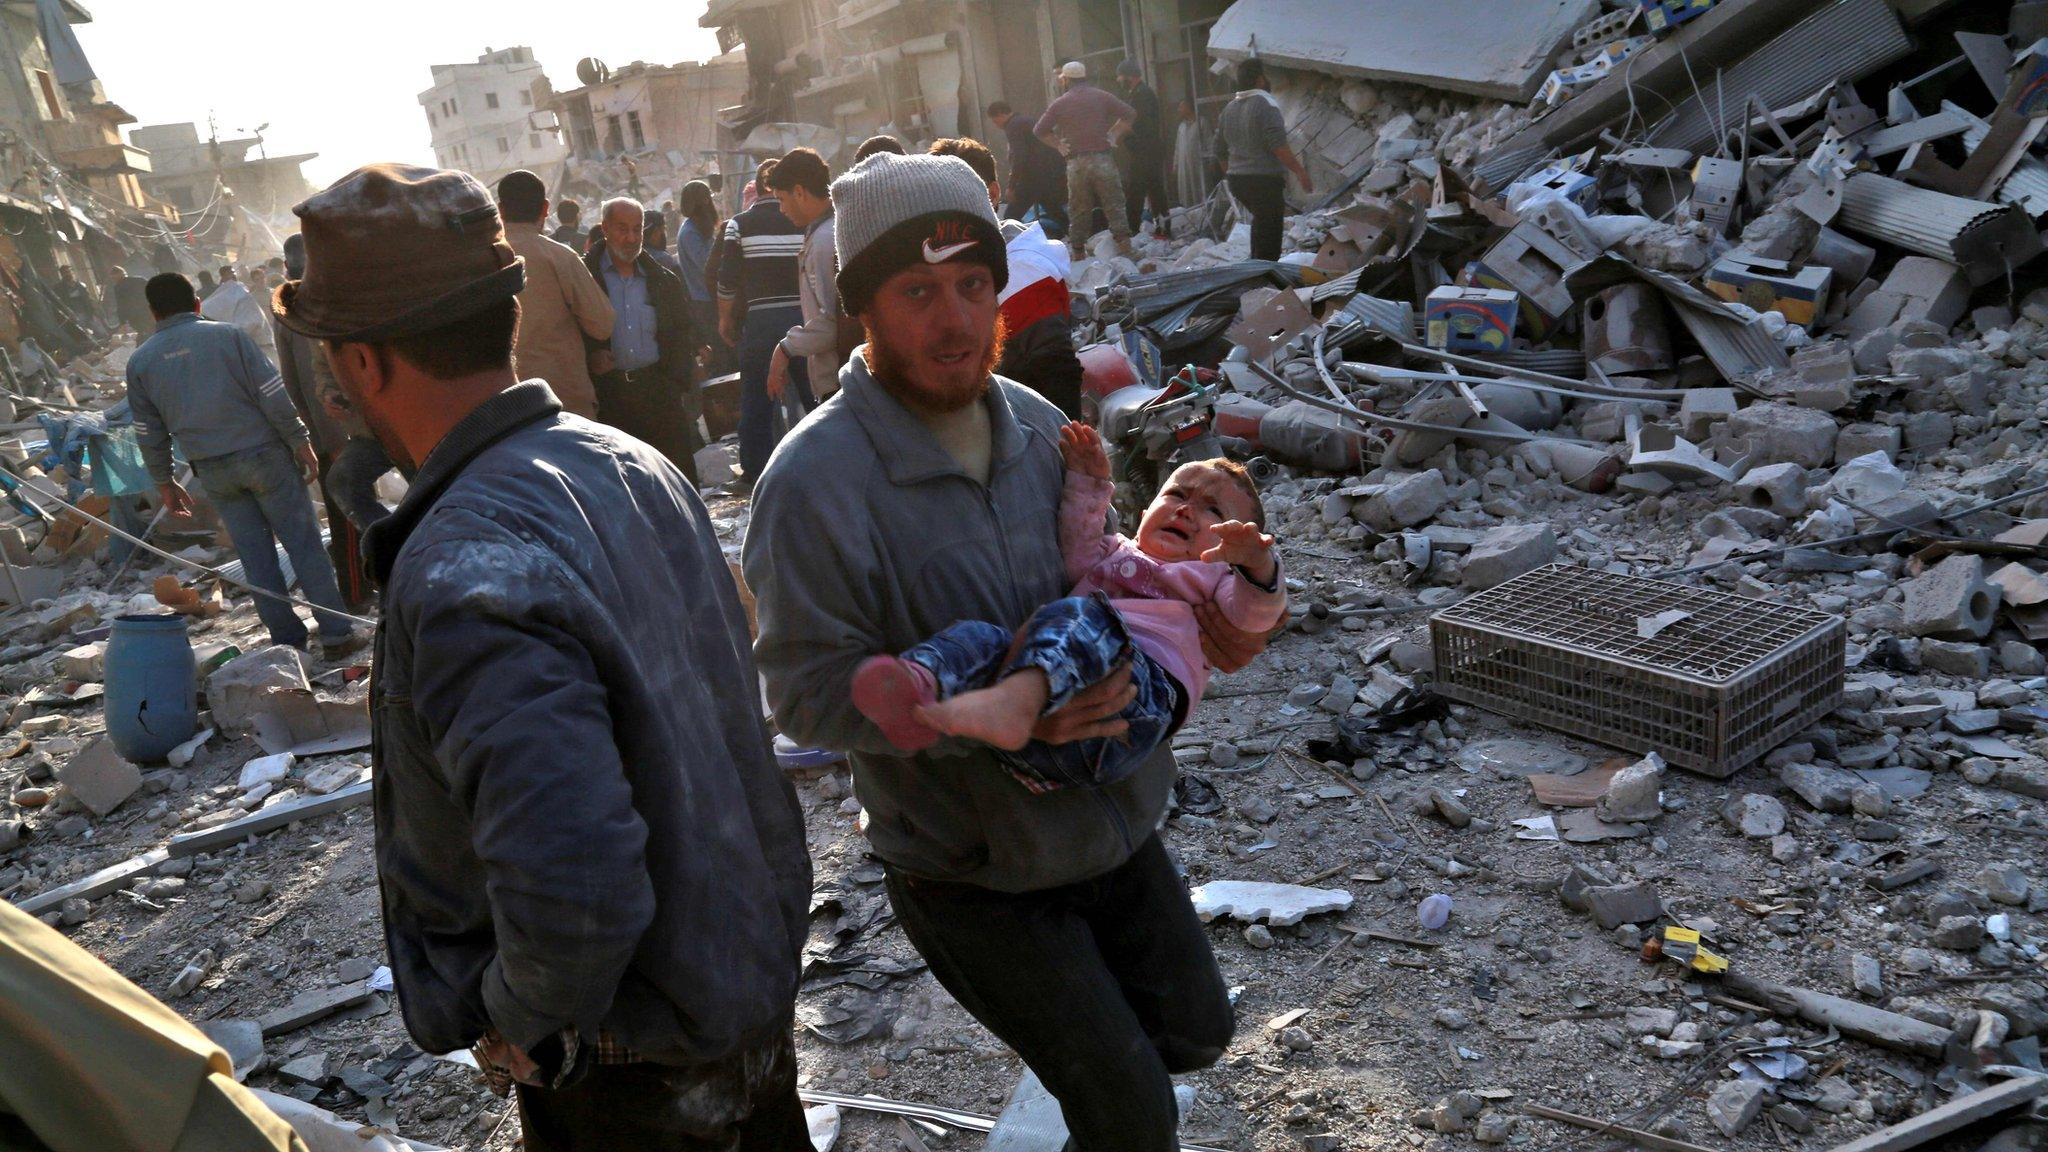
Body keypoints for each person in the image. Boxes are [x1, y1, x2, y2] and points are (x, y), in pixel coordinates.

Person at [276, 162, 810, 1151]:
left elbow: (575, 885)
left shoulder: (461, 568)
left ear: (362, 364)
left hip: (630, 1062)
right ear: (508, 314)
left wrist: (511, 1015)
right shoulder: (627, 462)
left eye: (328, 362)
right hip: (735, 984)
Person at [745, 151, 1270, 1152]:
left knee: (1193, 1032)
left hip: (1109, 826)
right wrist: (996, 724)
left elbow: (1108, 578)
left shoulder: (1039, 432)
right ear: (861, 307)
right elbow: (804, 698)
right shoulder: (812, 482)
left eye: (970, 285)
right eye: (915, 291)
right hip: (971, 867)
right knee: (1129, 1110)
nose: (951, 319)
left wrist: (1204, 626)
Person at [854, 423, 1282, 789]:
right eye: (1177, 495)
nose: (1187, 510)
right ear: (1147, 506)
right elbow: (1076, 546)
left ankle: (1013, 702)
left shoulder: (1218, 579)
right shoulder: (1116, 551)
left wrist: (1257, 563)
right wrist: (1089, 482)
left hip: (1135, 702)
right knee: (980, 637)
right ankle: (917, 684)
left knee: (1080, 618)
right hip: (1044, 745)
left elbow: (1254, 614)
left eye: (1213, 510)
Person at [127, 273, 360, 656]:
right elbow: (272, 393)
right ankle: (336, 634)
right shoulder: (229, 336)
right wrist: (300, 439)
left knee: (255, 558)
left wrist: (165, 481)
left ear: (153, 312)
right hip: (264, 456)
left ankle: (287, 642)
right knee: (304, 546)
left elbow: (148, 431)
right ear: (198, 303)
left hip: (213, 471)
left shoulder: (141, 362)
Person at [930, 136, 1081, 418]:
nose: (950, 213)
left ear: (994, 193)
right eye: (938, 201)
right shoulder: (939, 268)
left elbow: (1057, 374)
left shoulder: (1024, 270)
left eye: (960, 197)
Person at [273, 234, 380, 609]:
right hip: (349, 423)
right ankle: (361, 588)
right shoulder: (319, 300)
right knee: (351, 505)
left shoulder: (292, 306)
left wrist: (311, 430)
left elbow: (293, 380)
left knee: (350, 506)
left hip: (343, 423)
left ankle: (367, 584)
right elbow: (304, 377)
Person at [583, 196, 703, 482]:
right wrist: (591, 357)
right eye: (622, 229)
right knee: (627, 483)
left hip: (658, 391)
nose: (631, 238)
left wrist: (677, 381)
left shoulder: (661, 278)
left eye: (637, 230)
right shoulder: (585, 278)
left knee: (676, 477)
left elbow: (680, 330)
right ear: (605, 229)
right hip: (611, 398)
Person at [496, 169, 616, 419]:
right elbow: (602, 324)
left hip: (507, 408)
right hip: (565, 401)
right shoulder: (559, 256)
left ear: (501, 210)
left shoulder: (482, 263)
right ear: (545, 208)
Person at [716, 160, 804, 482]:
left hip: (761, 325)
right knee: (814, 396)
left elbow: (727, 282)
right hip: (803, 322)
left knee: (755, 398)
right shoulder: (803, 221)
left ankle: (756, 472)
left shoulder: (738, 225)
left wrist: (725, 320)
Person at [1214, 57, 1312, 263]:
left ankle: (1256, 268)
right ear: (1260, 80)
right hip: (1263, 181)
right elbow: (1278, 145)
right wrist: (1300, 172)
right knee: (1270, 234)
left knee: (1260, 224)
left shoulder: (1229, 108)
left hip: (1237, 181)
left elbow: (1219, 150)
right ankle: (1266, 279)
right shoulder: (1267, 104)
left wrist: (1231, 173)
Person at [1035, 61, 1135, 258]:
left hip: (1076, 163)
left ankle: (1078, 251)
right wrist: (1114, 134)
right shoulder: (1101, 96)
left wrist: (1059, 145)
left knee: (1079, 208)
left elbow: (1039, 130)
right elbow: (1129, 113)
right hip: (1102, 159)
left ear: (1065, 80)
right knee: (1114, 204)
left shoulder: (1060, 103)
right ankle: (1126, 248)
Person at [762, 148, 837, 413]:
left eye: (781, 199)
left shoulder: (825, 240)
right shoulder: (823, 232)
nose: (781, 209)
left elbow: (833, 324)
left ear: (799, 192)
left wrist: (785, 349)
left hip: (841, 381)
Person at [987, 101, 1067, 232]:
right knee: (1055, 212)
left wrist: (1012, 186)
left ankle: (1012, 247)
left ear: (1001, 114)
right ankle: (1079, 240)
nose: (997, 126)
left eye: (995, 121)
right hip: (1048, 174)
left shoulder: (1013, 126)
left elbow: (1020, 156)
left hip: (1031, 178)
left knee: (1011, 217)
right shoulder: (1027, 120)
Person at [1116, 59, 1170, 239]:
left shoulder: (1142, 95)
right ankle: (1162, 228)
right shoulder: (1138, 94)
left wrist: (1122, 133)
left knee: (1136, 192)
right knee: (1154, 191)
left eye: (1121, 76)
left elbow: (1140, 125)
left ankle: (1132, 231)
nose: (1118, 80)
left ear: (1130, 77)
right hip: (1146, 151)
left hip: (1145, 152)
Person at [674, 180, 725, 371]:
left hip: (713, 298)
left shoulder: (699, 229)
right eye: (707, 200)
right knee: (721, 353)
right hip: (705, 302)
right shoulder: (689, 233)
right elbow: (709, 265)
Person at [200, 265, 278, 358]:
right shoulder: (227, 294)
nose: (233, 275)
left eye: (233, 273)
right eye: (230, 274)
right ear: (223, 277)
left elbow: (253, 322)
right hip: (253, 345)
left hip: (261, 343)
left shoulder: (241, 292)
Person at [1171, 99, 1206, 209]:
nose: (1179, 110)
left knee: (1200, 189)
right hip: (1184, 166)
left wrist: (1211, 160)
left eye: (1181, 107)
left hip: (1198, 163)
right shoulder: (1181, 126)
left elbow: (1209, 141)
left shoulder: (1201, 122)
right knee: (1186, 191)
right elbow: (1177, 147)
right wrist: (1175, 164)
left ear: (1188, 108)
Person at [107, 265, 154, 336]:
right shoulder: (139, 279)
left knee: (144, 333)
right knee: (153, 329)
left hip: (134, 316)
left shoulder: (118, 287)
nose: (113, 280)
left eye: (113, 278)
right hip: (147, 311)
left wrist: (122, 322)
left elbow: (121, 305)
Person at [642, 210, 684, 279]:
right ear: (655, 232)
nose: (665, 234)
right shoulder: (662, 259)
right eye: (664, 229)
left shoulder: (636, 257)